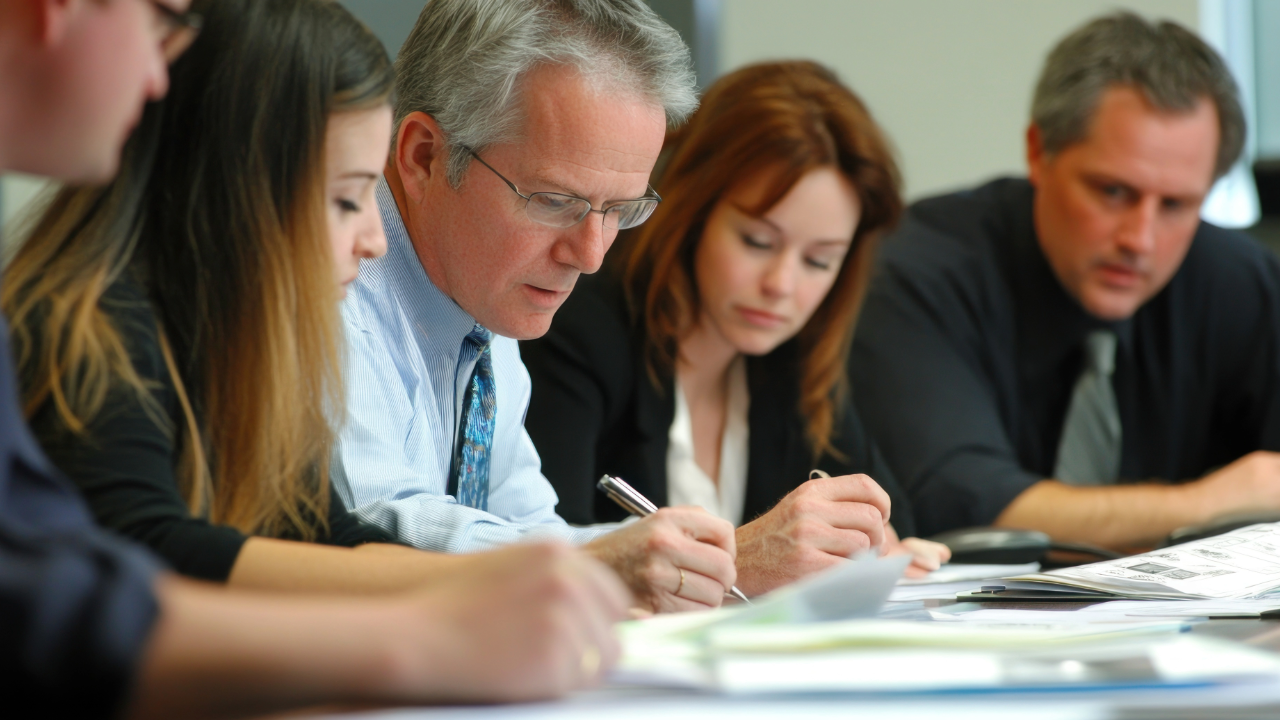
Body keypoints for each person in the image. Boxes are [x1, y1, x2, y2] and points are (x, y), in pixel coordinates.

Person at [0, 0, 627, 716]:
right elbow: (152, 549)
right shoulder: (86, 327)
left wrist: (519, 591)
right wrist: (440, 624)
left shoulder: (249, 351)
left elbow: (326, 535)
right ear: (237, 184)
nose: (374, 239)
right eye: (345, 199)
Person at [331, 0, 739, 612]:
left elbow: (529, 529)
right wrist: (621, 568)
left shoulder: (482, 293)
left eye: (620, 211)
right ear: (423, 156)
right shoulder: (330, 282)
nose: (591, 254)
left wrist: (699, 561)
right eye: (554, 201)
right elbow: (380, 528)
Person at [850, 12, 1280, 550]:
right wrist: (1215, 502)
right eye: (1112, 192)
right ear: (1038, 151)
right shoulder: (915, 272)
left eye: (1176, 204)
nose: (1140, 239)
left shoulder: (1243, 282)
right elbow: (973, 506)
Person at [521, 61, 951, 596]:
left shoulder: (794, 361)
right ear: (693, 210)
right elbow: (537, 563)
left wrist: (882, 545)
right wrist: (748, 559)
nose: (782, 285)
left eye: (819, 261)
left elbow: (886, 517)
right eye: (757, 243)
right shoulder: (581, 328)